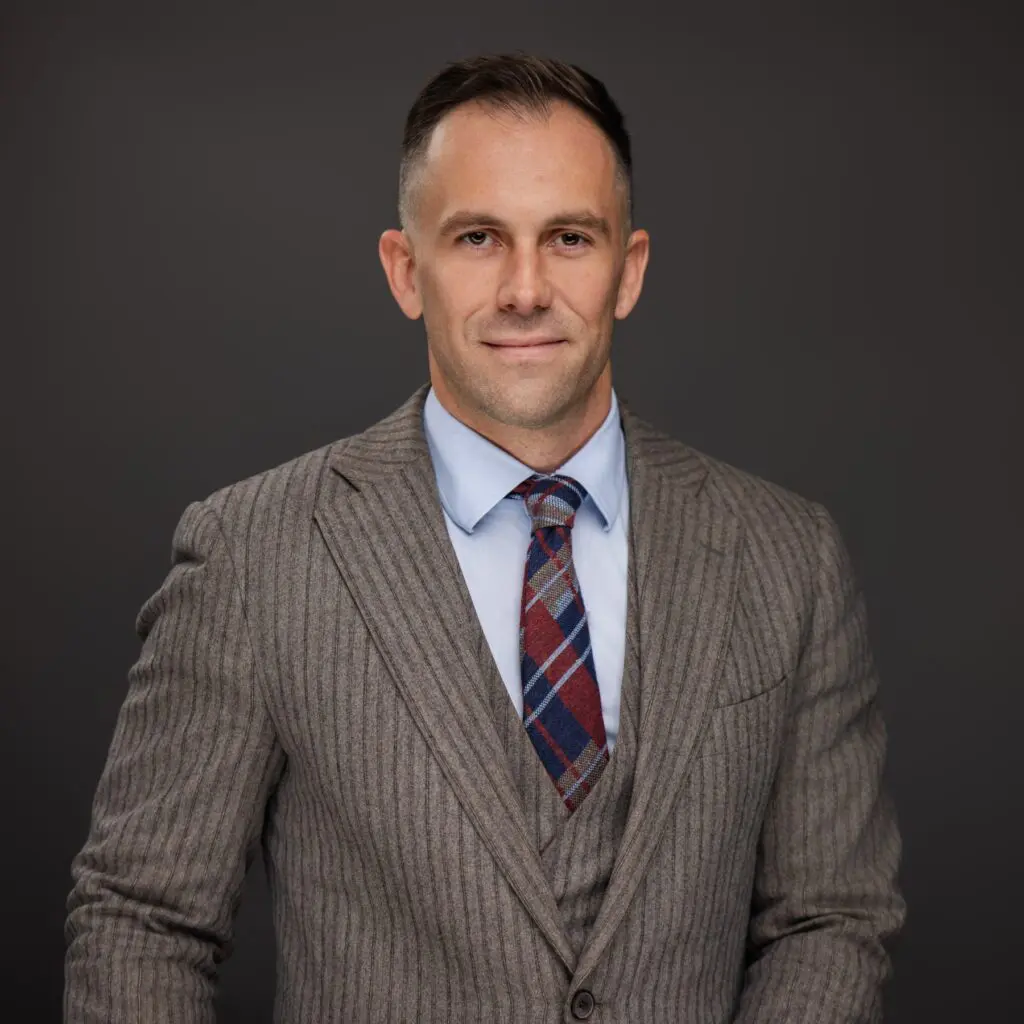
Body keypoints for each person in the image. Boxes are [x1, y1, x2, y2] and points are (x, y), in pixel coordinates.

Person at [64, 53, 905, 1023]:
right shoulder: (252, 556)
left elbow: (829, 918)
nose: (523, 287)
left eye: (569, 238)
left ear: (627, 270)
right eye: (476, 237)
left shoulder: (787, 556)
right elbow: (144, 922)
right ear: (404, 269)